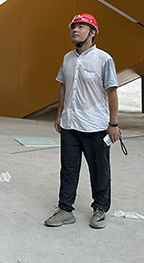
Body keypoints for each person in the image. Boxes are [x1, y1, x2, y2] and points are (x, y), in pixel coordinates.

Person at [44, 13, 119, 229]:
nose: (75, 30)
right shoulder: (67, 58)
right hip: (70, 124)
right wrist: (59, 114)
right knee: (68, 169)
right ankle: (65, 209)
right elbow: (63, 87)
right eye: (73, 27)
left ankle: (100, 209)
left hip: (95, 126)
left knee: (99, 170)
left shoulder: (104, 59)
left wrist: (113, 123)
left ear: (93, 32)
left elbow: (112, 91)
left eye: (81, 27)